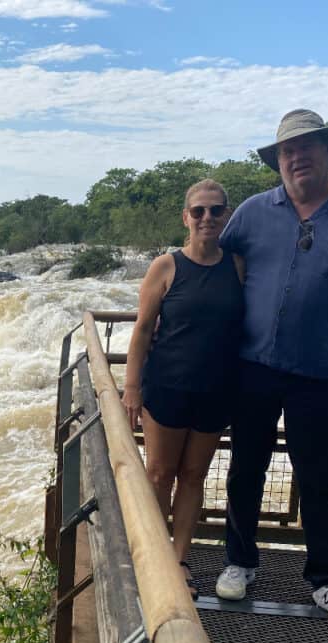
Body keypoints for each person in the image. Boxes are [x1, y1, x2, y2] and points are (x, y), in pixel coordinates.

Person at [214, 109, 328, 634]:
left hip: (317, 372)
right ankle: (240, 563)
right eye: (287, 152)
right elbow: (212, 271)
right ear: (278, 162)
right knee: (245, 471)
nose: (297, 157)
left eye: (308, 147)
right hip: (252, 367)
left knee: (320, 480)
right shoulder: (251, 213)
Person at [123, 179, 244, 599]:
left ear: (226, 215)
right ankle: (155, 561)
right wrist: (131, 387)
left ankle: (178, 561)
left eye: (215, 210)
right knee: (159, 473)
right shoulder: (166, 266)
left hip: (216, 390)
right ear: (186, 217)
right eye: (199, 211)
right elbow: (141, 330)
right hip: (168, 386)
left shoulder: (239, 265)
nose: (207, 218)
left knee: (194, 476)